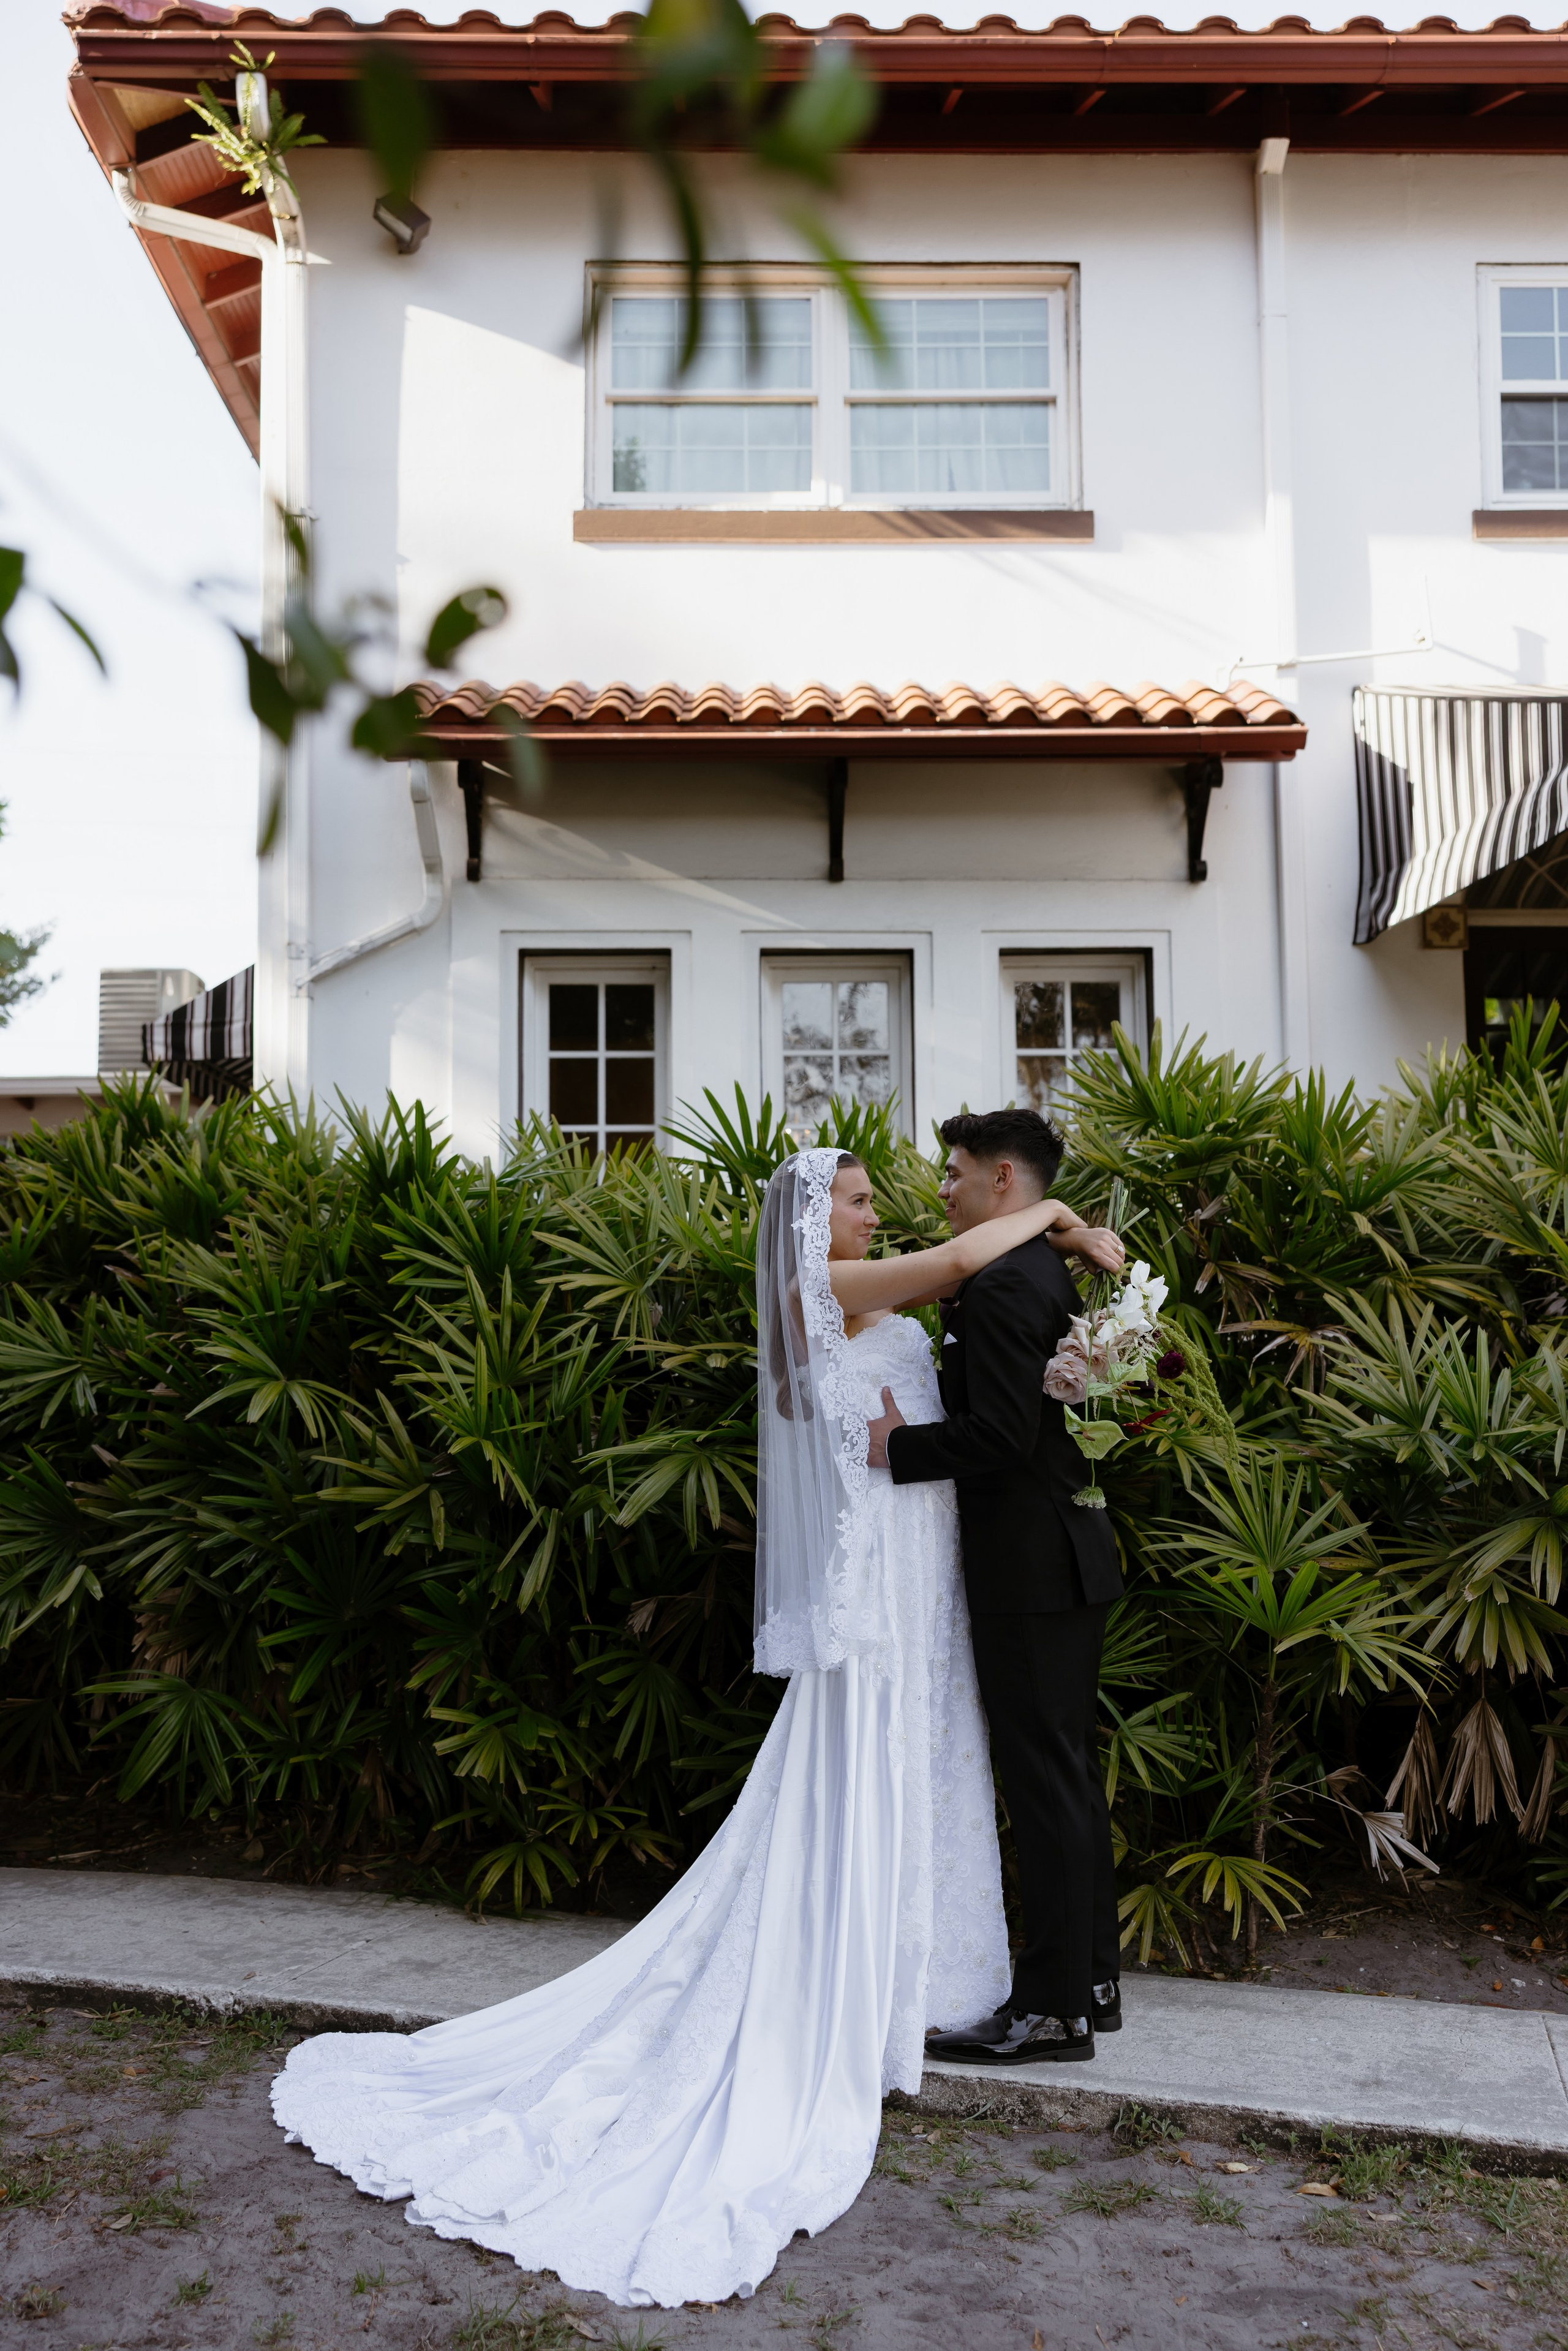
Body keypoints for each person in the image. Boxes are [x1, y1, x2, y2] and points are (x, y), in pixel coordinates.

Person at [270, 1145, 1118, 2308]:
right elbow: (970, 1252)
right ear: (814, 1220)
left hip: (924, 1569)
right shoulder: (822, 1291)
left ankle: (926, 1977)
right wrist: (1065, 1216)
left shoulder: (860, 1294)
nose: (881, 1210)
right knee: (873, 1763)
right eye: (860, 1198)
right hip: (877, 1582)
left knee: (933, 1765)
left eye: (873, 1198)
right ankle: (865, 1985)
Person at [868, 1108, 1126, 2067]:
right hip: (1060, 1561)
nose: (944, 1188)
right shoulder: (1039, 1265)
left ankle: (1054, 2009)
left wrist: (899, 1447)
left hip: (1031, 1570)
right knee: (1066, 1780)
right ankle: (1088, 1985)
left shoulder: (1007, 1285)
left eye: (956, 1171)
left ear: (1003, 1180)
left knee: (1046, 1782)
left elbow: (1001, 1437)